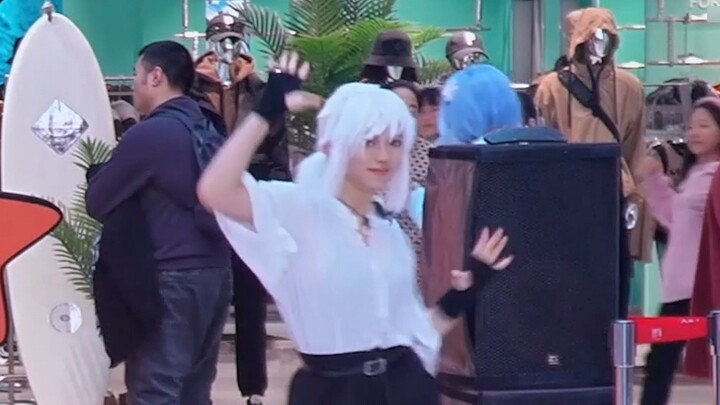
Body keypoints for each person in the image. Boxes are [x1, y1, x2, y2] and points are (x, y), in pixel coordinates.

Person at [197, 51, 513, 405]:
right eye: (369, 141)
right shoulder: (300, 209)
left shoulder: (388, 233)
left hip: (405, 388)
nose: (384, 156)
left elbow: (414, 336)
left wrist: (461, 294)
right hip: (331, 393)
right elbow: (215, 191)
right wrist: (266, 112)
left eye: (395, 142)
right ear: (336, 143)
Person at [85, 41, 232, 405]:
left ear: (155, 76)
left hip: (172, 277)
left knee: (156, 388)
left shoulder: (151, 134)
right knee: (195, 389)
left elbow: (97, 200)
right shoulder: (209, 126)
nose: (133, 85)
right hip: (217, 272)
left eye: (136, 75)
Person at [637, 97, 720, 405]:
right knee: (660, 364)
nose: (694, 132)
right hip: (680, 286)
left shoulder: (716, 175)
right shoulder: (697, 174)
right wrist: (654, 180)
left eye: (704, 125)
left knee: (661, 365)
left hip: (700, 286)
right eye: (691, 126)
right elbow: (674, 218)